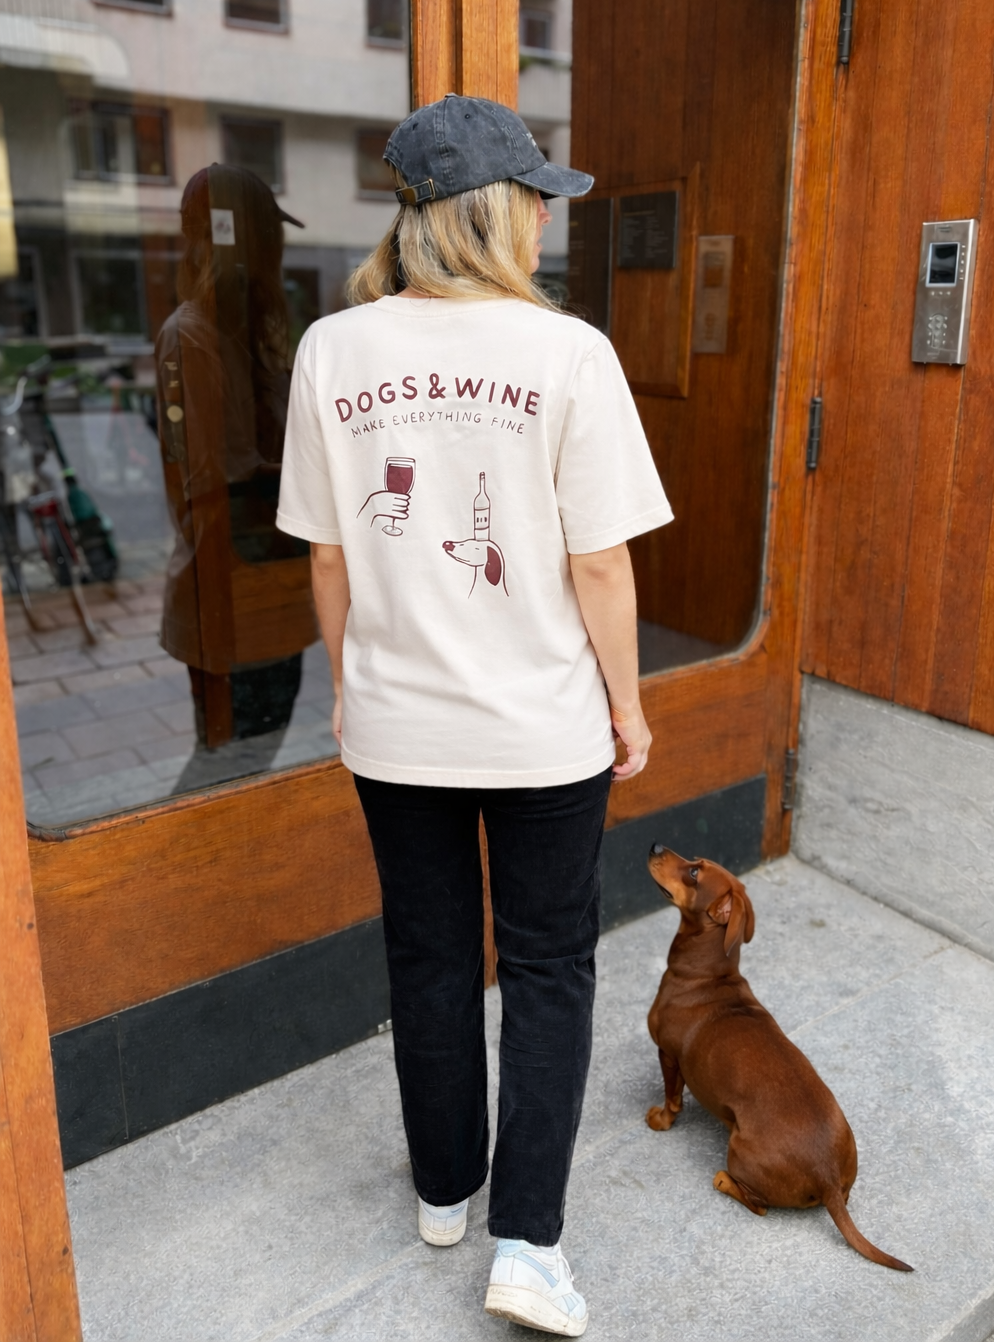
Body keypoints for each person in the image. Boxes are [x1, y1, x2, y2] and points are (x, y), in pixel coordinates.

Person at [277, 95, 672, 1336]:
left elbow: (328, 556)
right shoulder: (568, 354)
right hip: (542, 727)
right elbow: (598, 562)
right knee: (548, 968)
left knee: (430, 956)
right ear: (500, 215)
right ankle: (528, 1246)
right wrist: (627, 703)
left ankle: (444, 1191)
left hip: (398, 726)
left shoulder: (332, 350)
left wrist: (348, 682)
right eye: (540, 200)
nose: (549, 221)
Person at [157, 164, 318, 787]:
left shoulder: (245, 333)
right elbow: (220, 482)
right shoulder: (193, 336)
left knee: (253, 758)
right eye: (267, 238)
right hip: (232, 591)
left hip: (269, 590)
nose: (274, 256)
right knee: (228, 769)